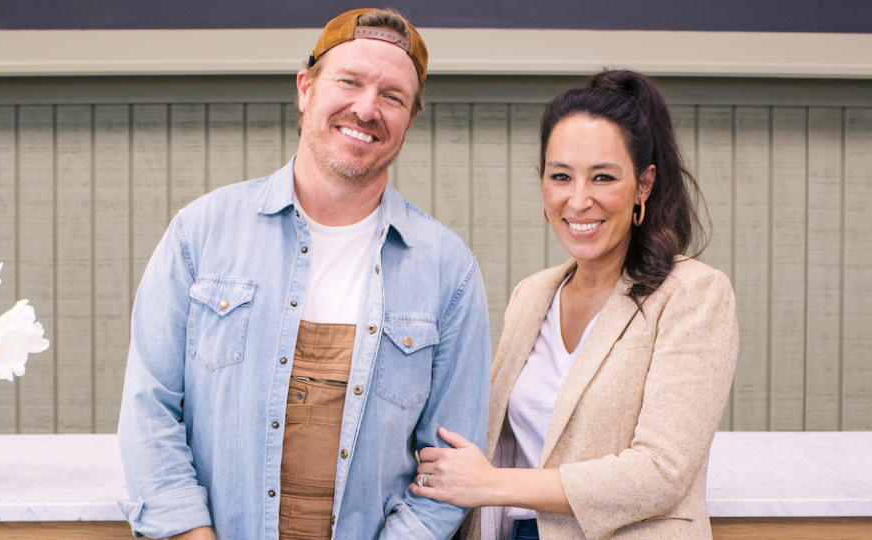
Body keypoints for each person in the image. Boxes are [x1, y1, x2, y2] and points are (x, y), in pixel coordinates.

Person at [117, 8, 491, 540]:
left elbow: (448, 468)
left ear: (410, 119)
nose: (366, 108)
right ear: (305, 89)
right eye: (350, 81)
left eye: (392, 96)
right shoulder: (200, 234)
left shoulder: (448, 271)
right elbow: (148, 411)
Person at [409, 69, 739, 539]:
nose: (578, 200)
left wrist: (492, 485)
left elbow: (661, 473)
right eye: (560, 176)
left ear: (644, 185)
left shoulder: (693, 293)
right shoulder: (532, 296)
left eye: (603, 177)